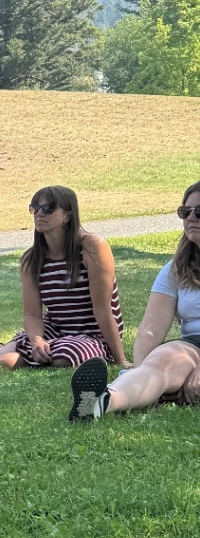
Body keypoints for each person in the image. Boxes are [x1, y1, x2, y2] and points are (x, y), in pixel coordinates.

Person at [70, 180, 200, 419]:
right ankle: (102, 401)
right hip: (193, 346)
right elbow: (151, 330)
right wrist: (141, 372)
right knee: (161, 361)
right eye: (185, 211)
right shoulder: (176, 270)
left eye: (199, 211)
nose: (191, 217)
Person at [0, 187, 123, 370]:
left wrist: (120, 360)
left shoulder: (92, 247)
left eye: (48, 208)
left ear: (67, 216)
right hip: (55, 329)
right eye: (35, 208)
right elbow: (32, 315)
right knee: (4, 361)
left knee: (67, 357)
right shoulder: (31, 259)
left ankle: (32, 353)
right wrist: (37, 341)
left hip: (93, 335)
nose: (39, 213)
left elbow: (103, 310)